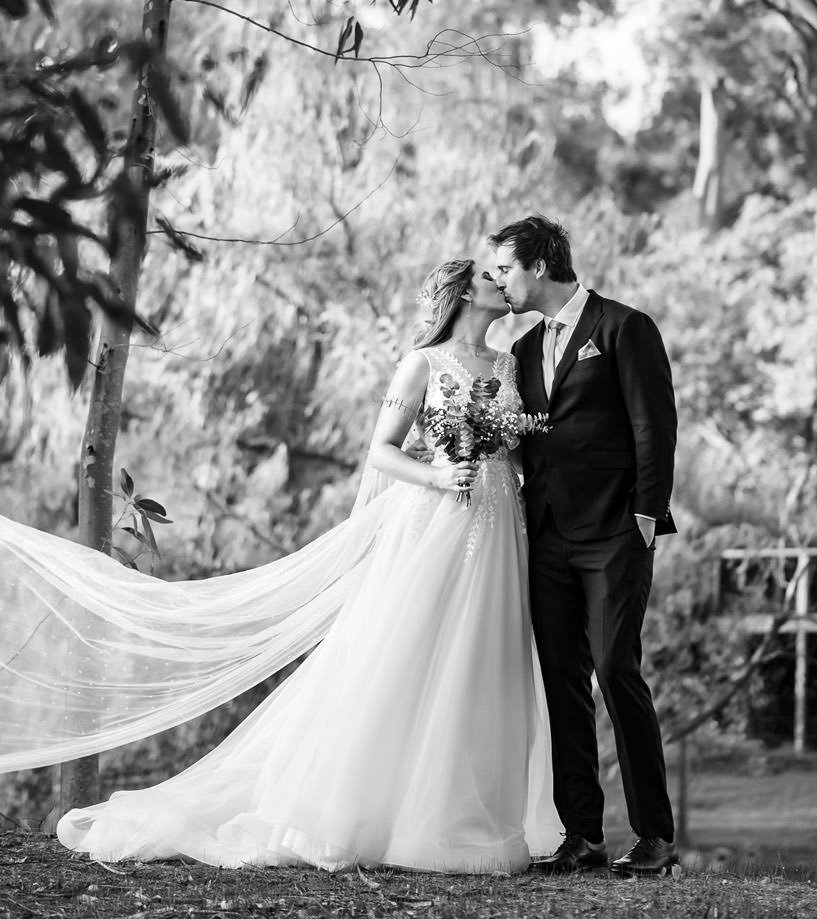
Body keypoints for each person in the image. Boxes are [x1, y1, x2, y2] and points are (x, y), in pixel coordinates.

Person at [0, 259, 560, 872]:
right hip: (437, 523)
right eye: (488, 274)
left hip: (502, 520)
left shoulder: (509, 364)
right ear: (460, 293)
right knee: (410, 654)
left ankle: (465, 811)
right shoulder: (421, 365)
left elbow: (519, 443)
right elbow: (380, 450)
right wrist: (435, 472)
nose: (499, 281)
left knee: (484, 657)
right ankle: (377, 811)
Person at [489, 215, 678, 878]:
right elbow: (528, 440)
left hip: (615, 535)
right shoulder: (519, 349)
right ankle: (582, 834)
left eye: (506, 268)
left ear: (539, 264)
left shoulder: (626, 328)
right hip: (547, 539)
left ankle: (656, 836)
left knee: (616, 669)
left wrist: (647, 516)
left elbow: (654, 425)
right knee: (562, 681)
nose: (499, 280)